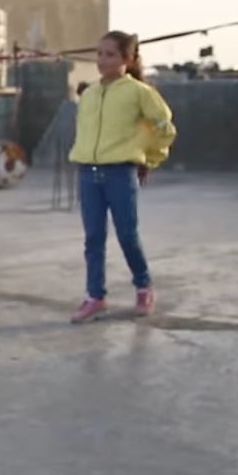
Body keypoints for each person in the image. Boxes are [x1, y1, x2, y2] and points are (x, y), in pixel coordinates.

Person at [68, 31, 176, 323]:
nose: (102, 60)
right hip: (88, 173)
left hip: (119, 172)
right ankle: (95, 297)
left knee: (127, 234)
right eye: (99, 53)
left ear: (127, 59)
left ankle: (144, 286)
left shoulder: (139, 92)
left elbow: (163, 127)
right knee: (93, 238)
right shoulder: (89, 94)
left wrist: (148, 157)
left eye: (110, 54)